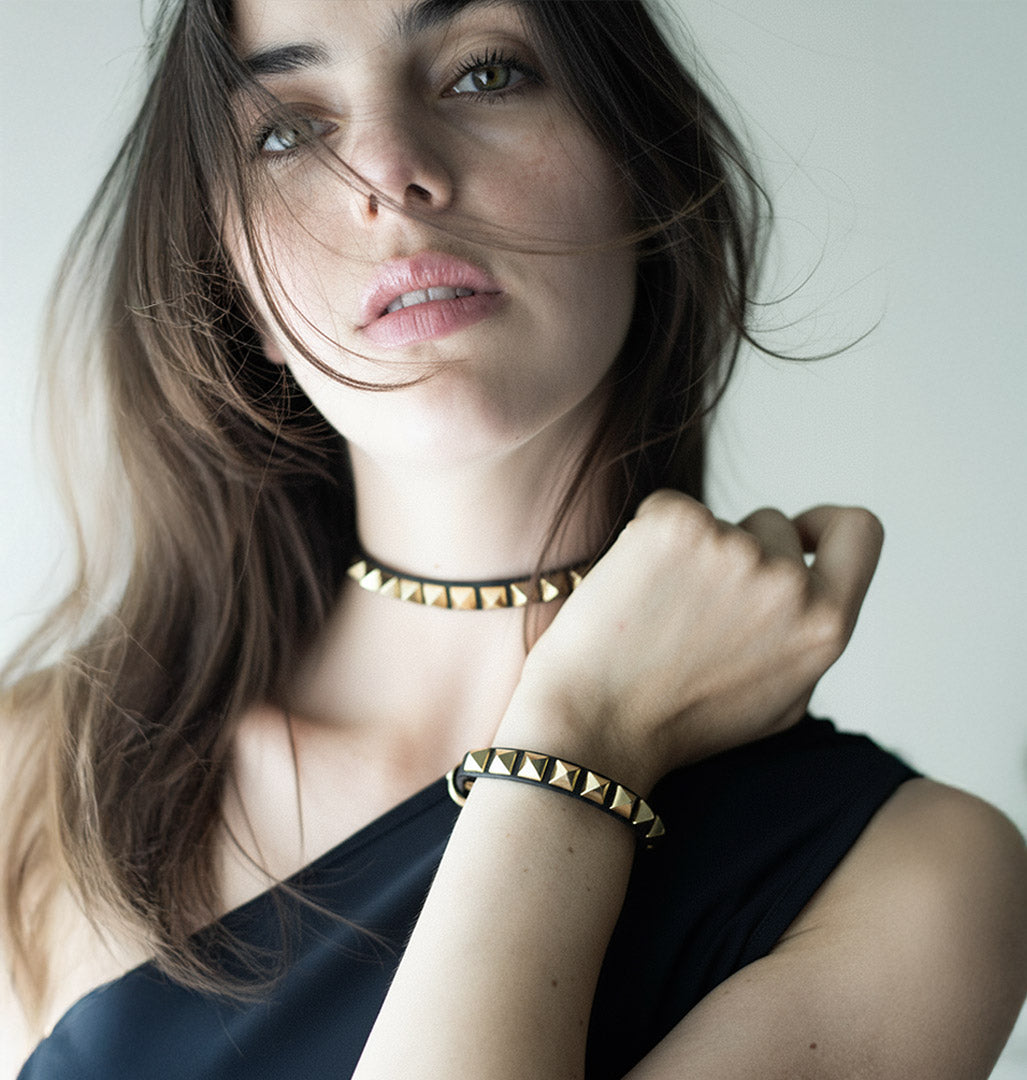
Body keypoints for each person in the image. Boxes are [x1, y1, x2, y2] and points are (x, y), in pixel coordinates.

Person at [2, 1, 1025, 1077]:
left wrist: (581, 738)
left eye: (483, 74)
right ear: (235, 288)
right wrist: (580, 740)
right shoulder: (48, 783)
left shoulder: (916, 878)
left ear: (642, 171)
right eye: (286, 130)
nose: (389, 171)